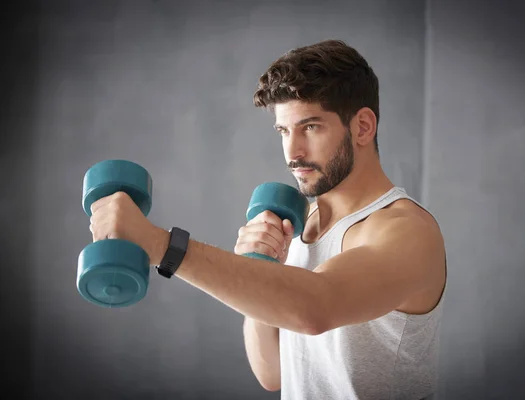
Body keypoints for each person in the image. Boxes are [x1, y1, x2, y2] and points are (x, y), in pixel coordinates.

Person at [89, 39, 447, 400]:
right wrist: (263, 268)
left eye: (311, 127)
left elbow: (314, 309)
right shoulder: (300, 226)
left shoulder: (406, 231)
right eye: (283, 131)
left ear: (363, 127)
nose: (292, 153)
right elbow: (272, 373)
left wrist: (160, 245)